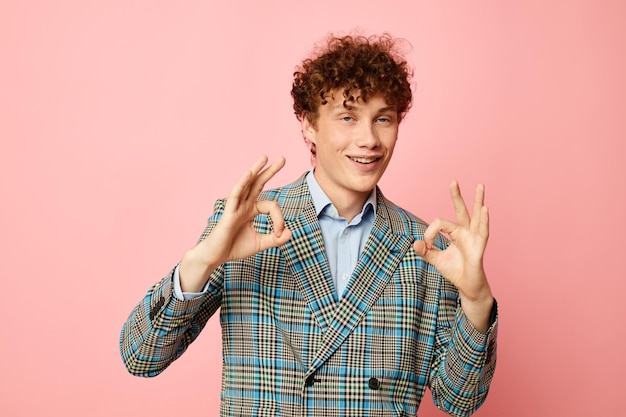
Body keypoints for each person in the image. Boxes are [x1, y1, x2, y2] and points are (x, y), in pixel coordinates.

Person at [120, 33, 497, 417]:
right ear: (308, 125)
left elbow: (459, 400)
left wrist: (477, 300)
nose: (369, 139)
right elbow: (141, 356)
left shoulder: (427, 246)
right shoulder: (248, 223)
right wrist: (201, 261)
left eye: (382, 119)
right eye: (348, 118)